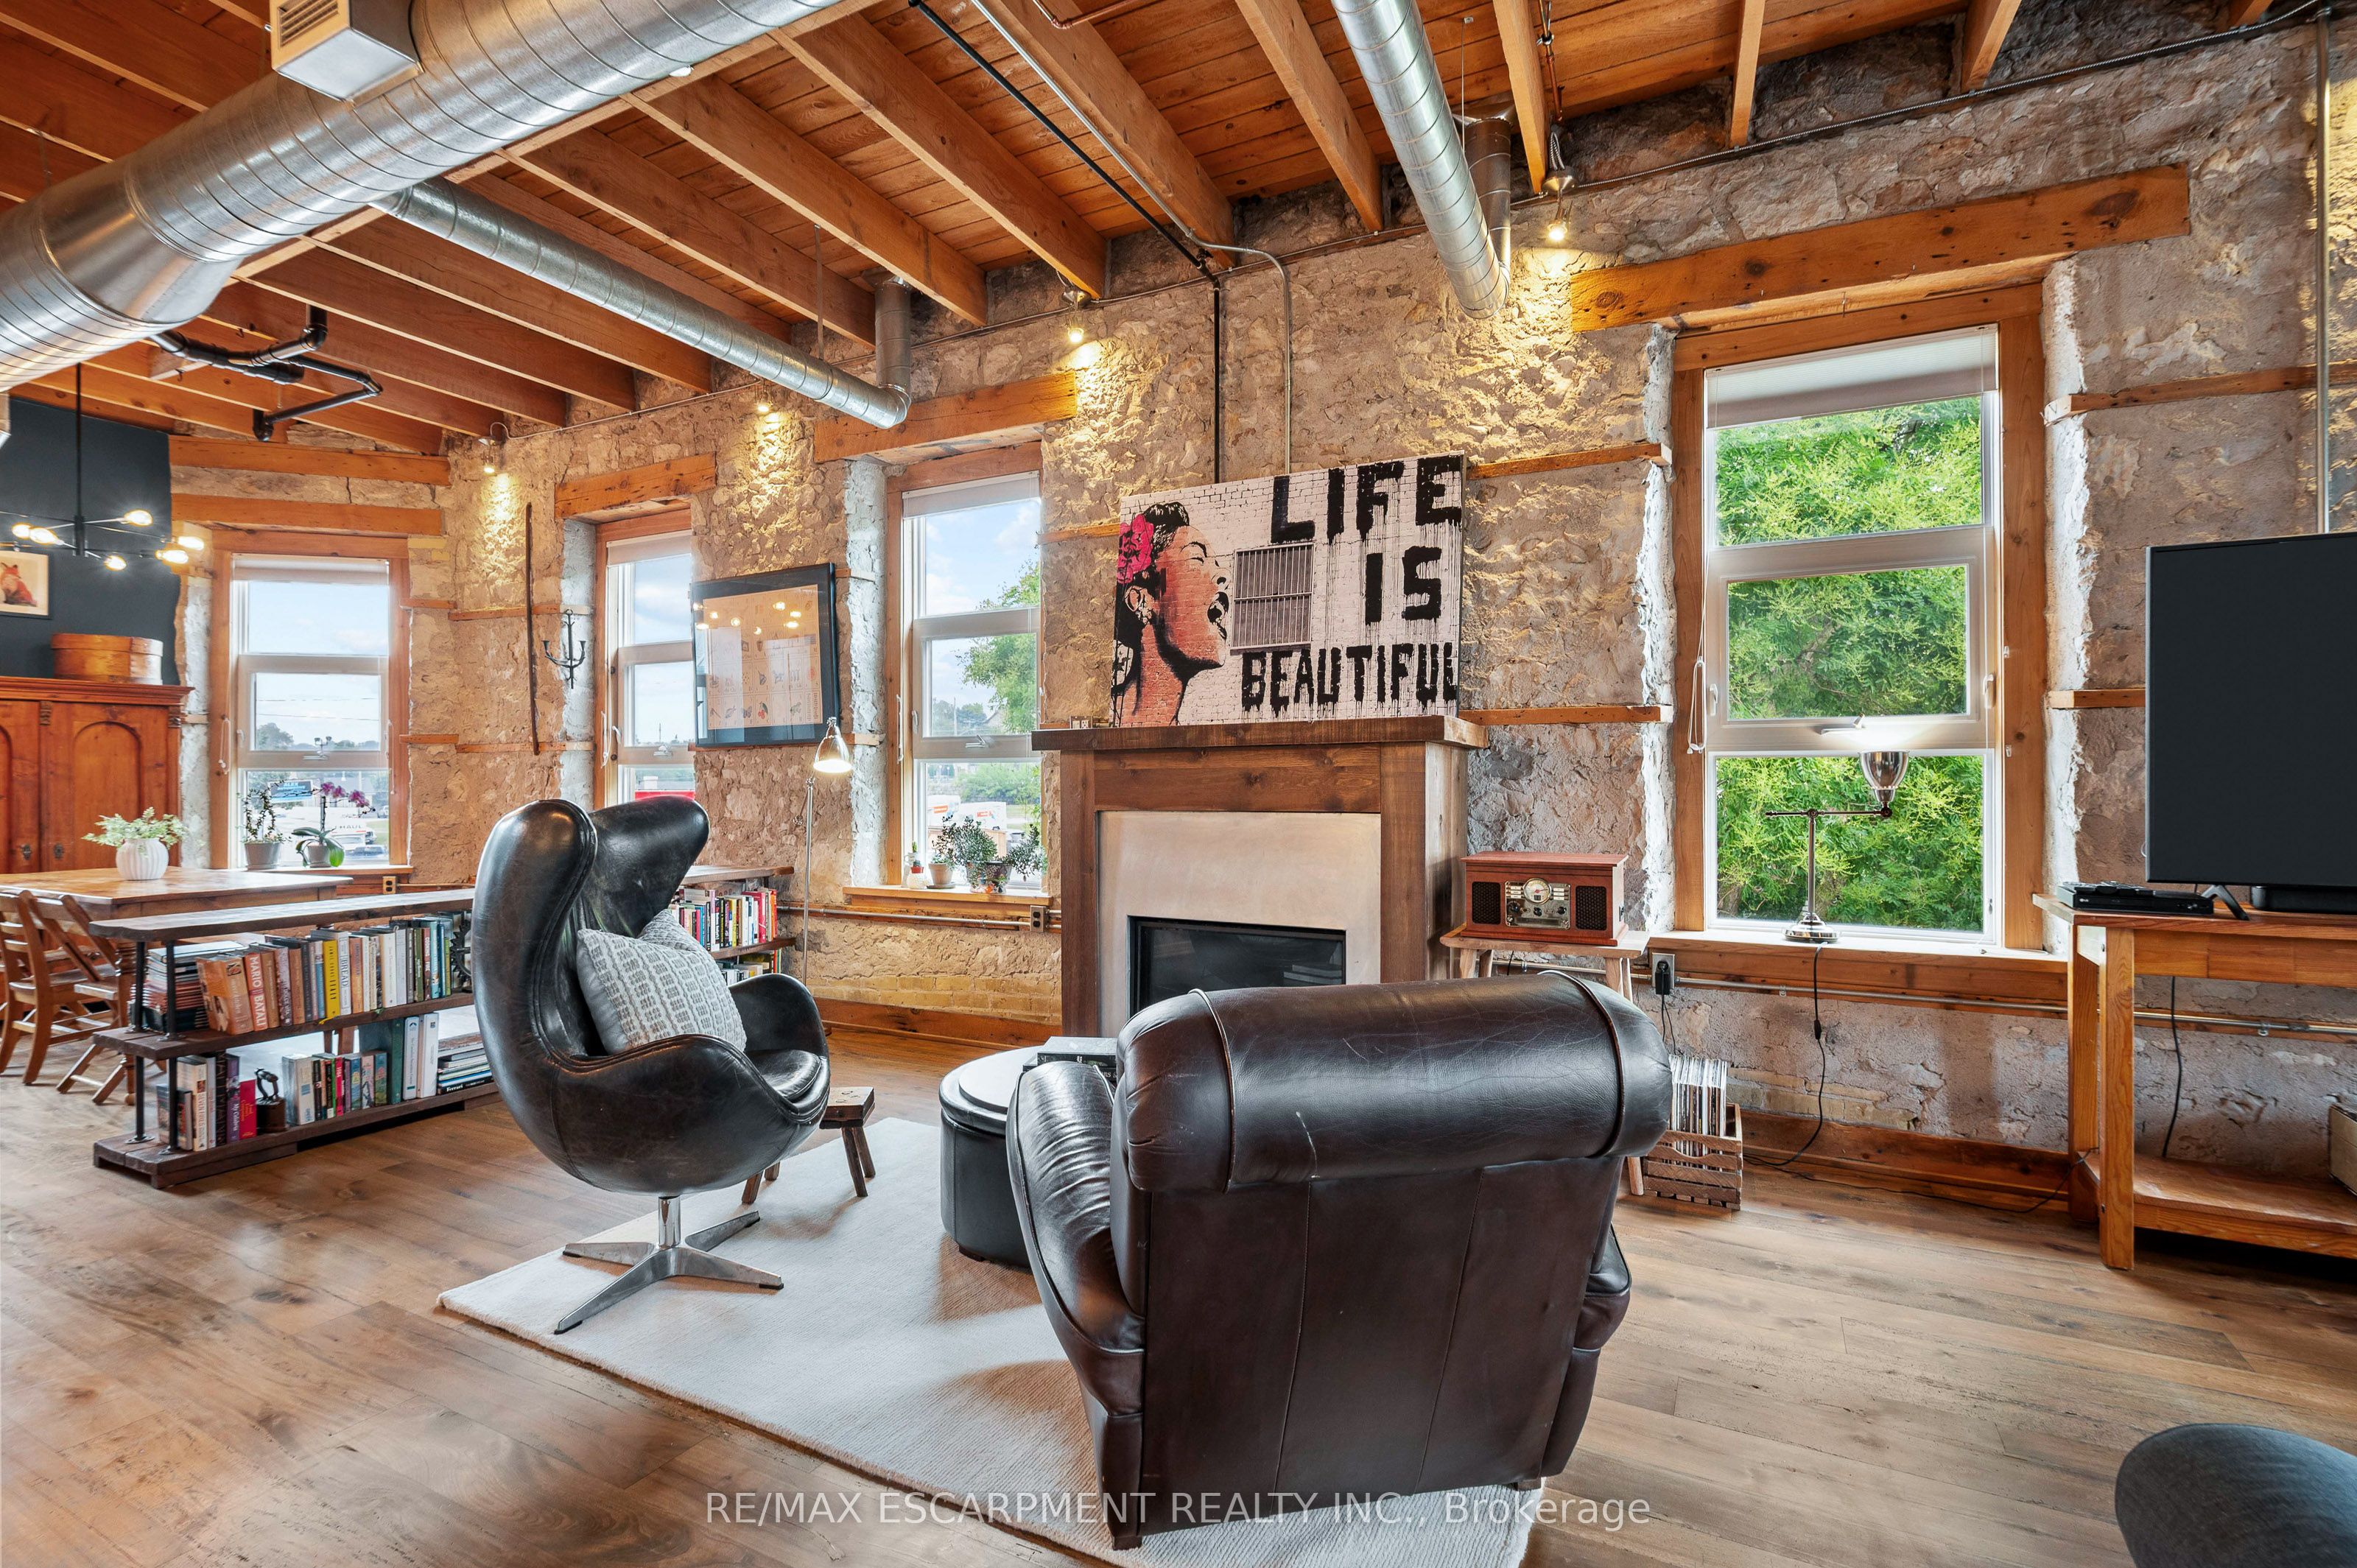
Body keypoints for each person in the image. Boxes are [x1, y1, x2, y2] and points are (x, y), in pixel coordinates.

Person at [1110, 501, 1229, 725]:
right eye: (1197, 558)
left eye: (1216, 563)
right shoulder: (1110, 724)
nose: (1224, 575)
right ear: (1142, 600)